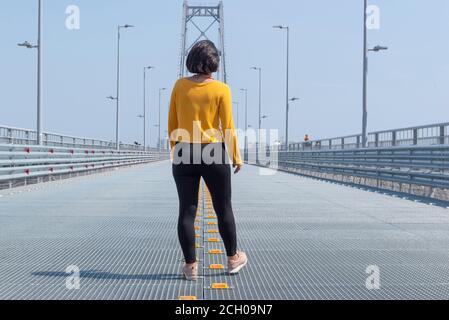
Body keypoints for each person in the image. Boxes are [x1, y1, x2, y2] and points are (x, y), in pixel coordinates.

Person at [168, 40, 248, 281]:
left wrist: (177, 151)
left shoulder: (179, 86)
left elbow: (172, 123)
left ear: (192, 58)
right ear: (214, 62)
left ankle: (190, 267)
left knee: (187, 210)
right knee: (222, 207)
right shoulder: (222, 89)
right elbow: (228, 127)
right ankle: (233, 259)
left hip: (184, 151)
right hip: (213, 151)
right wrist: (235, 156)